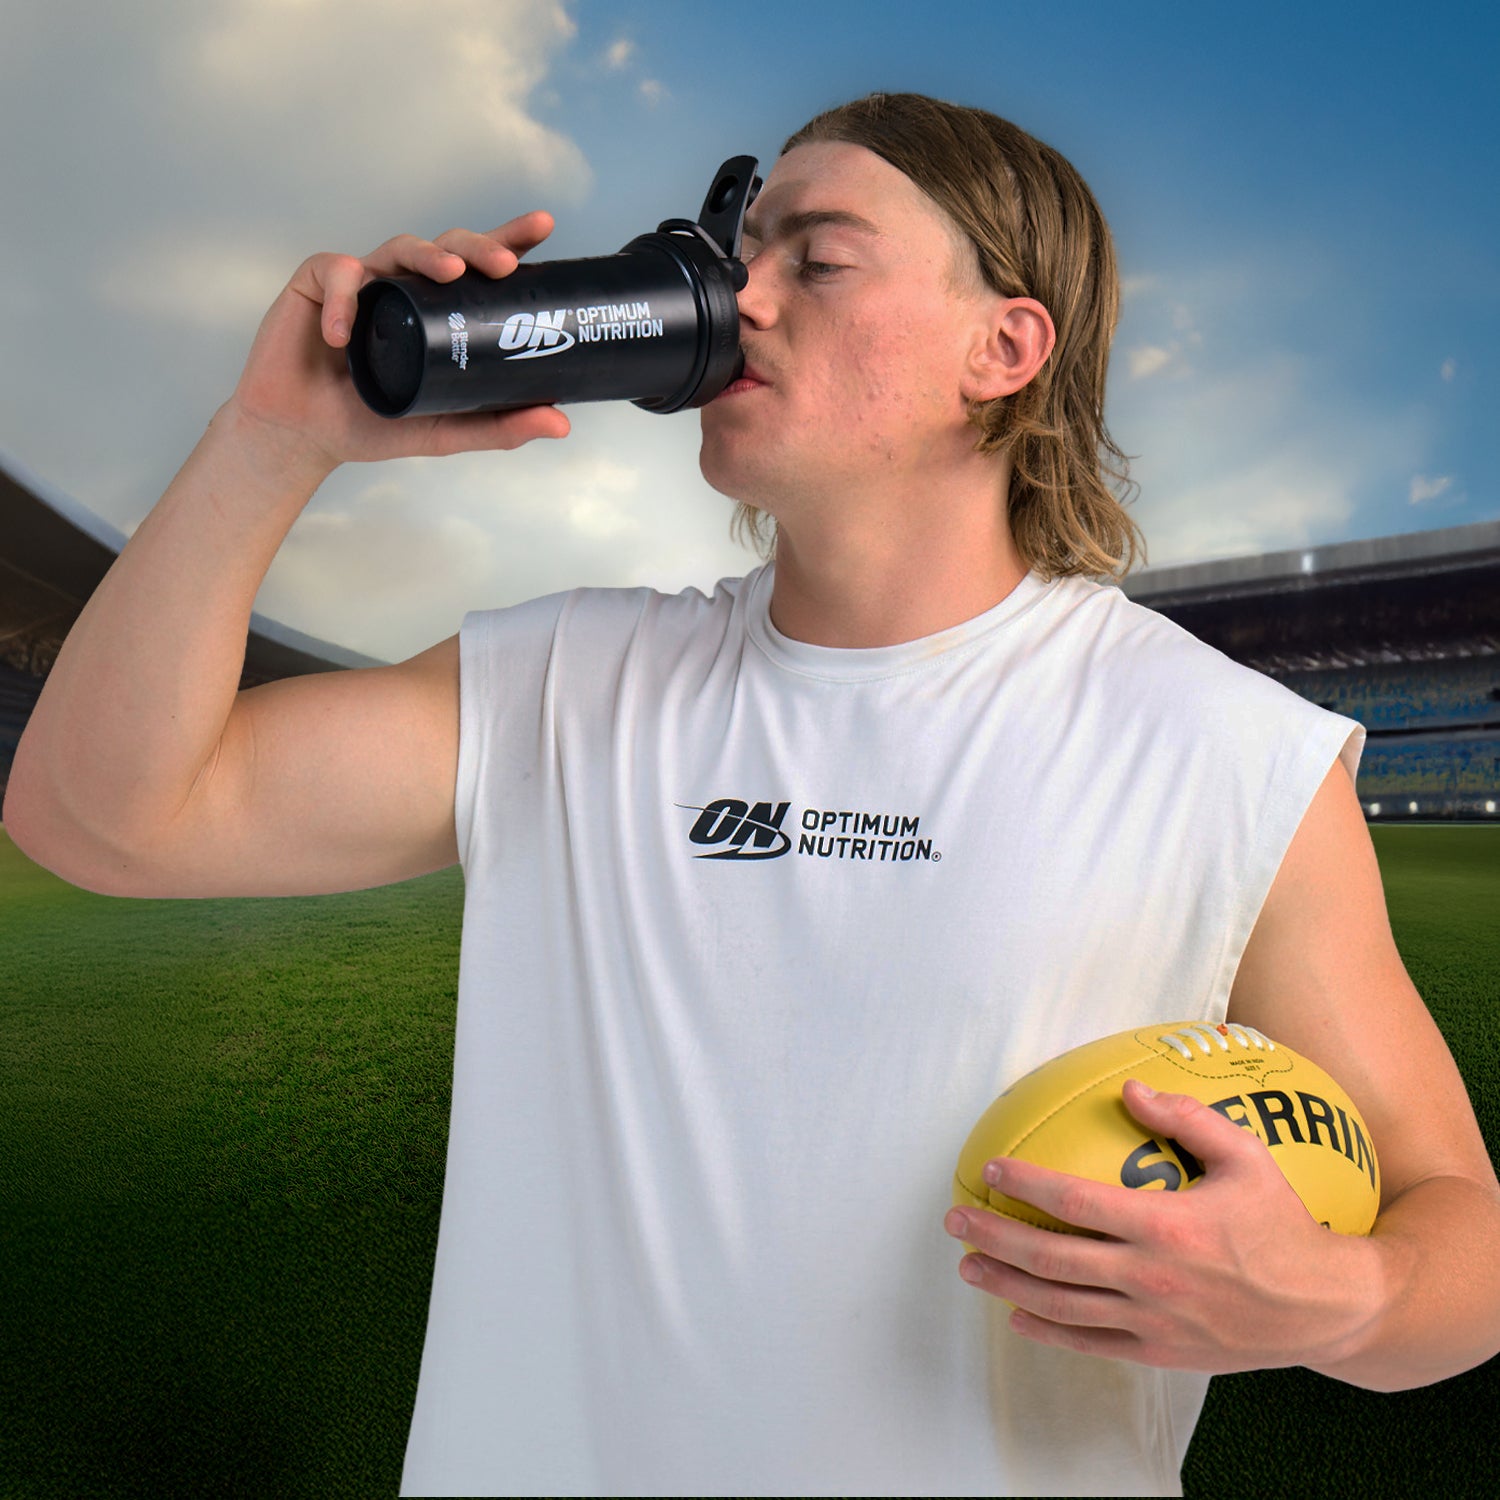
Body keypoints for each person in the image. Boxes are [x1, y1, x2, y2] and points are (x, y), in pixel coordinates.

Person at [6, 92, 1499, 1497]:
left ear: (1006, 347)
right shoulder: (565, 685)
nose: (745, 299)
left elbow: (1465, 1242)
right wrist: (277, 439)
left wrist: (1340, 1296)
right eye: (744, 251)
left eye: (819, 258)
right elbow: (101, 817)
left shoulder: (1221, 748)